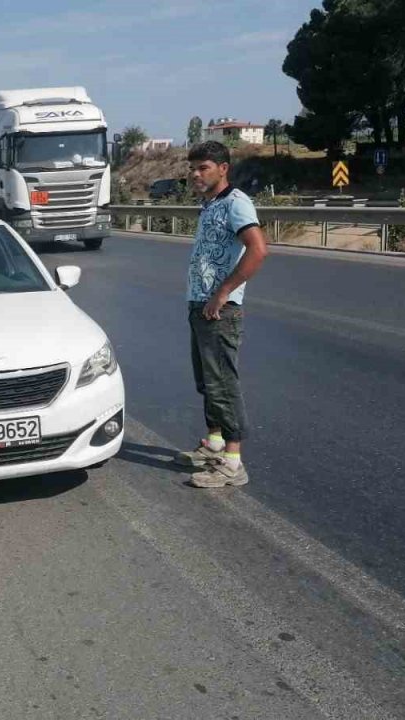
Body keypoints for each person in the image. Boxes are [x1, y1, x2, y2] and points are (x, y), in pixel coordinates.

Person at [171, 141, 269, 488]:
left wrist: (223, 292)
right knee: (207, 381)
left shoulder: (235, 203)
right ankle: (214, 443)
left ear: (223, 168)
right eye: (192, 168)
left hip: (220, 310)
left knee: (223, 384)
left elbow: (258, 250)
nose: (195, 174)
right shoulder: (209, 204)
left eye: (204, 168)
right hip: (199, 305)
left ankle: (232, 462)